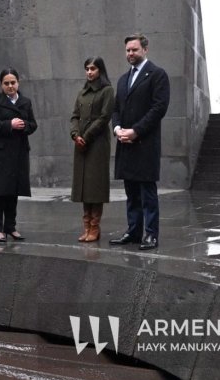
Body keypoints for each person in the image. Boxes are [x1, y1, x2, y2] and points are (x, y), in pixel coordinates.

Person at [109, 33, 170, 251]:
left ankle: (151, 234)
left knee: (147, 193)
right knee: (131, 192)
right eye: (128, 50)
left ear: (145, 49)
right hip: (125, 143)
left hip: (145, 144)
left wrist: (136, 131)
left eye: (134, 49)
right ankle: (133, 231)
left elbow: (158, 108)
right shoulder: (123, 79)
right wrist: (117, 129)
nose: (130, 53)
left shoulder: (157, 75)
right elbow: (116, 109)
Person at [0, 68, 38, 242]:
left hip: (19, 152)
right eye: (6, 83)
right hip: (0, 154)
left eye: (13, 82)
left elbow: (33, 124)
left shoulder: (25, 102)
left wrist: (24, 125)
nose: (10, 86)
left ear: (18, 83)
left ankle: (10, 227)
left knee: (13, 191)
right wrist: (9, 124)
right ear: (1, 85)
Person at [70, 56, 115, 242]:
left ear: (100, 70)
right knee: (84, 186)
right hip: (81, 143)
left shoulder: (107, 90)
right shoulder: (82, 93)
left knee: (95, 186)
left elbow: (104, 118)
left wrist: (86, 136)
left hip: (97, 143)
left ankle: (95, 227)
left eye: (93, 68)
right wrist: (75, 134)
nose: (89, 72)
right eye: (87, 68)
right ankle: (87, 227)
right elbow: (74, 116)